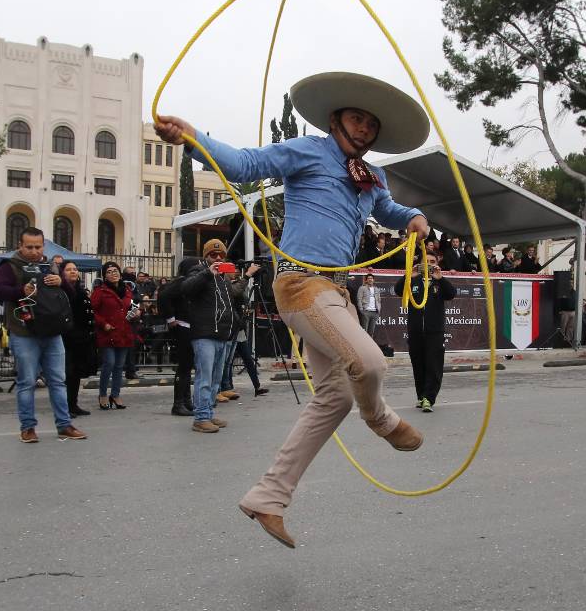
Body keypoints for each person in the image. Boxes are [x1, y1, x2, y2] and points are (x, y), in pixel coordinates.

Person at [156, 70, 430, 548]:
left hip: (336, 291)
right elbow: (243, 164)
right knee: (367, 362)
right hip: (303, 285)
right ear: (335, 119)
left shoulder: (371, 175)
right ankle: (382, 420)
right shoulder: (307, 152)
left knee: (337, 397)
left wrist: (414, 218)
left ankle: (268, 496)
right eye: (356, 119)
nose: (364, 130)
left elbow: (388, 209)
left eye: (371, 125)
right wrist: (193, 138)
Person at [0, 228, 87, 443]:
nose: (34, 251)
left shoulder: (51, 266)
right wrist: (20, 291)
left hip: (52, 331)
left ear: (43, 246)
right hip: (24, 331)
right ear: (20, 246)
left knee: (58, 380)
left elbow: (71, 295)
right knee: (27, 381)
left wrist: (62, 282)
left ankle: (64, 425)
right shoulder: (9, 266)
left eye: (38, 246)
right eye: (29, 247)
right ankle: (28, 427)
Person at [165, 239, 248, 431]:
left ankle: (208, 413)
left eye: (221, 255)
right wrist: (207, 273)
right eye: (213, 255)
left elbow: (233, 298)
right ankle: (201, 417)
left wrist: (242, 277)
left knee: (215, 379)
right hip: (204, 334)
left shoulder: (223, 277)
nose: (218, 258)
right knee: (205, 377)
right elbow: (186, 288)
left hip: (221, 334)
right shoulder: (199, 272)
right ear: (206, 256)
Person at [394, 250, 457, 412]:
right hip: (415, 331)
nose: (429, 264)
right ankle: (421, 396)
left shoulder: (438, 282)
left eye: (432, 261)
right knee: (418, 364)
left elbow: (451, 294)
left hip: (435, 332)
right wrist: (410, 274)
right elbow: (398, 290)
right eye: (426, 261)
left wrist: (440, 279)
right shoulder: (414, 281)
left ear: (437, 264)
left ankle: (429, 398)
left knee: (434, 365)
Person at [217, 261, 268, 400]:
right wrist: (247, 275)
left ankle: (255, 386)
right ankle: (222, 388)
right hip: (231, 328)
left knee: (245, 358)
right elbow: (235, 291)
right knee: (226, 361)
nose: (236, 272)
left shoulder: (235, 282)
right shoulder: (223, 284)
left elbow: (243, 297)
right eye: (233, 270)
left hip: (238, 327)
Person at [158, 258, 202, 417]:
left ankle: (187, 400)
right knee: (184, 367)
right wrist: (170, 319)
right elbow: (164, 296)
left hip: (190, 327)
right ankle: (178, 403)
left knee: (188, 366)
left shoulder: (190, 282)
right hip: (183, 327)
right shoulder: (181, 282)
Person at [90, 261, 137, 411]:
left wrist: (136, 312)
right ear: (104, 275)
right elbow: (92, 311)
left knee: (119, 366)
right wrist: (103, 324)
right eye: (109, 271)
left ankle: (115, 394)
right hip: (107, 332)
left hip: (124, 332)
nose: (113, 273)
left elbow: (131, 306)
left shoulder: (127, 289)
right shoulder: (100, 291)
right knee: (109, 363)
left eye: (115, 270)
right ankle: (102, 394)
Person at [59, 261, 95, 416]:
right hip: (66, 336)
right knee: (67, 372)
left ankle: (73, 404)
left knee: (76, 373)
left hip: (81, 337)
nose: (73, 272)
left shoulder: (80, 290)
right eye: (69, 269)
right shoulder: (61, 290)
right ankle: (65, 406)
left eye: (75, 269)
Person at [356, 273, 382, 340]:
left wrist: (378, 309)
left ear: (374, 280)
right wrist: (361, 310)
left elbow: (379, 300)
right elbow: (359, 299)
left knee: (371, 332)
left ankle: (369, 348)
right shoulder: (362, 288)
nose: (370, 280)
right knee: (364, 331)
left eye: (371, 278)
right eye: (368, 278)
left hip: (375, 313)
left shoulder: (376, 289)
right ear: (366, 280)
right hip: (366, 312)